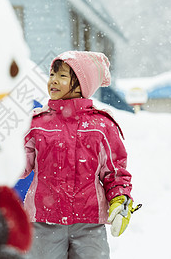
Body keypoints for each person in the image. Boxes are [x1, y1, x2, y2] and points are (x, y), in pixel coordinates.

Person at [22, 51, 139, 259]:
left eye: (63, 76)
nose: (53, 81)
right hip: (43, 223)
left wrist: (120, 202)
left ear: (81, 85)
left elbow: (114, 172)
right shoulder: (37, 124)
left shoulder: (102, 126)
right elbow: (18, 165)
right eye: (51, 75)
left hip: (89, 225)